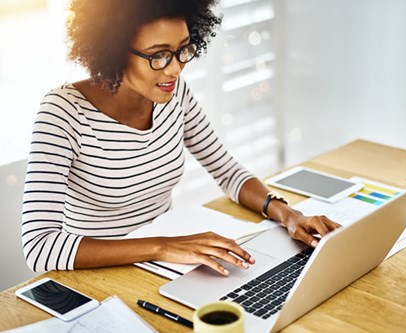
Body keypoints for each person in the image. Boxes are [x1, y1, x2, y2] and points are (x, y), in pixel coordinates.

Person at [21, 0, 340, 276]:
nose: (175, 69)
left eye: (183, 50)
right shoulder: (63, 111)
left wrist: (288, 214)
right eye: (158, 55)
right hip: (95, 277)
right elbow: (39, 246)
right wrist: (161, 247)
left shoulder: (174, 95)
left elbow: (227, 171)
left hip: (162, 268)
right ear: (115, 51)